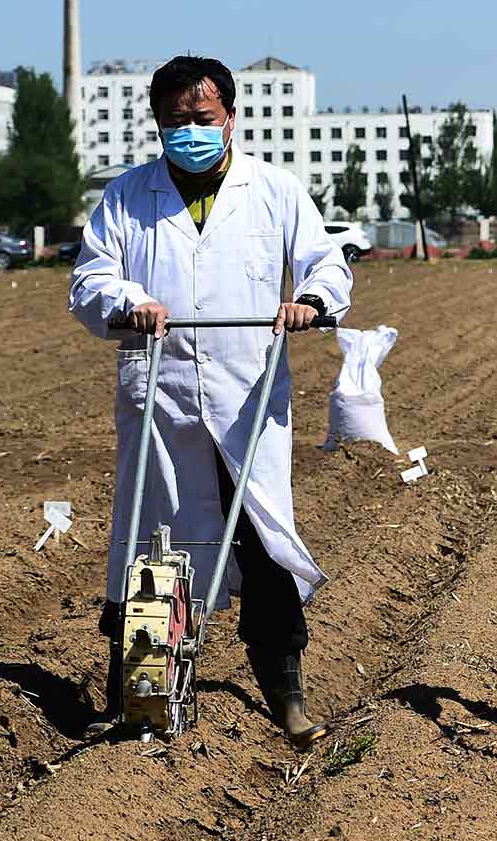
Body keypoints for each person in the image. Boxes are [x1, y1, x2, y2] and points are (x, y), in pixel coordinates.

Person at [70, 55, 353, 748]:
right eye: (175, 121)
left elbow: (326, 264)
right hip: (160, 396)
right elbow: (90, 280)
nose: (189, 132)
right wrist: (128, 301)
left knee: (262, 544)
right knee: (152, 547)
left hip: (245, 395)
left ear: (229, 116)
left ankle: (286, 698)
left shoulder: (274, 190)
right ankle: (137, 696)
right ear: (157, 124)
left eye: (201, 118)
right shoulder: (127, 196)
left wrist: (310, 300)